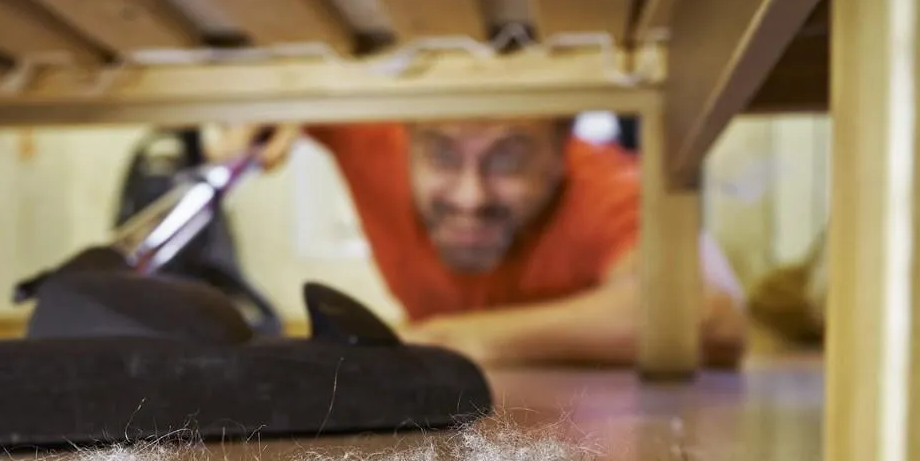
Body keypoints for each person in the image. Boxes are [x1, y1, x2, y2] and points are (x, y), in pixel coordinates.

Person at [206, 119, 748, 367]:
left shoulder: (603, 183)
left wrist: (457, 337)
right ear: (409, 141)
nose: (470, 195)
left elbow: (712, 315)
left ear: (563, 148)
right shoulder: (371, 136)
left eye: (509, 158)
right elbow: (279, 82)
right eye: (441, 154)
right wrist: (252, 107)